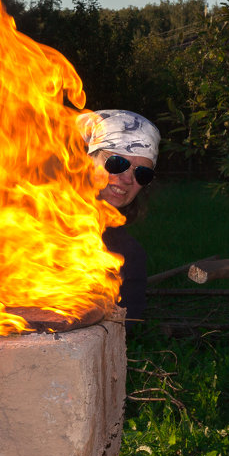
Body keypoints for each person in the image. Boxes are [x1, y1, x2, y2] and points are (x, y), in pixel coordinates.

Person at [77, 109, 160, 329]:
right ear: (88, 160)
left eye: (142, 173)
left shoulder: (128, 256)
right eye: (116, 163)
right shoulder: (29, 225)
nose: (126, 179)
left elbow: (125, 328)